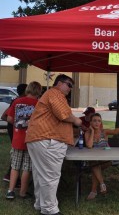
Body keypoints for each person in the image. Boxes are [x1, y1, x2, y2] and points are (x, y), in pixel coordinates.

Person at [25, 74, 82, 215]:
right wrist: (76, 121)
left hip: (39, 139)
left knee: (40, 175)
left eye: (71, 86)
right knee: (50, 176)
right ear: (60, 83)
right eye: (69, 85)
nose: (70, 88)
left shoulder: (50, 94)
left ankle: (40, 204)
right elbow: (64, 115)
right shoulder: (55, 93)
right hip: (48, 140)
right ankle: (50, 210)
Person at [84, 113, 119, 200]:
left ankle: (95, 190)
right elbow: (89, 145)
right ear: (91, 122)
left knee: (94, 166)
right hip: (95, 159)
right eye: (94, 121)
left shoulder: (104, 132)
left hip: (106, 160)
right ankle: (100, 185)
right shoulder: (87, 133)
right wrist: (92, 132)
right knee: (94, 164)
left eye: (99, 121)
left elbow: (115, 131)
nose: (97, 123)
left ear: (101, 123)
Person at [5, 81, 42, 199]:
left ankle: (10, 191)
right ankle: (22, 192)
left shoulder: (17, 101)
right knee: (27, 167)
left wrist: (17, 125)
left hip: (17, 138)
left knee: (15, 166)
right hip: (31, 140)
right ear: (39, 91)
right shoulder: (39, 104)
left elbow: (9, 118)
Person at [2, 83, 28, 183]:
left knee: (17, 153)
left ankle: (12, 176)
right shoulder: (17, 101)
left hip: (15, 129)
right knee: (17, 153)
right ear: (25, 91)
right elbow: (4, 116)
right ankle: (10, 176)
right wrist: (17, 124)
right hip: (14, 129)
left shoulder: (20, 100)